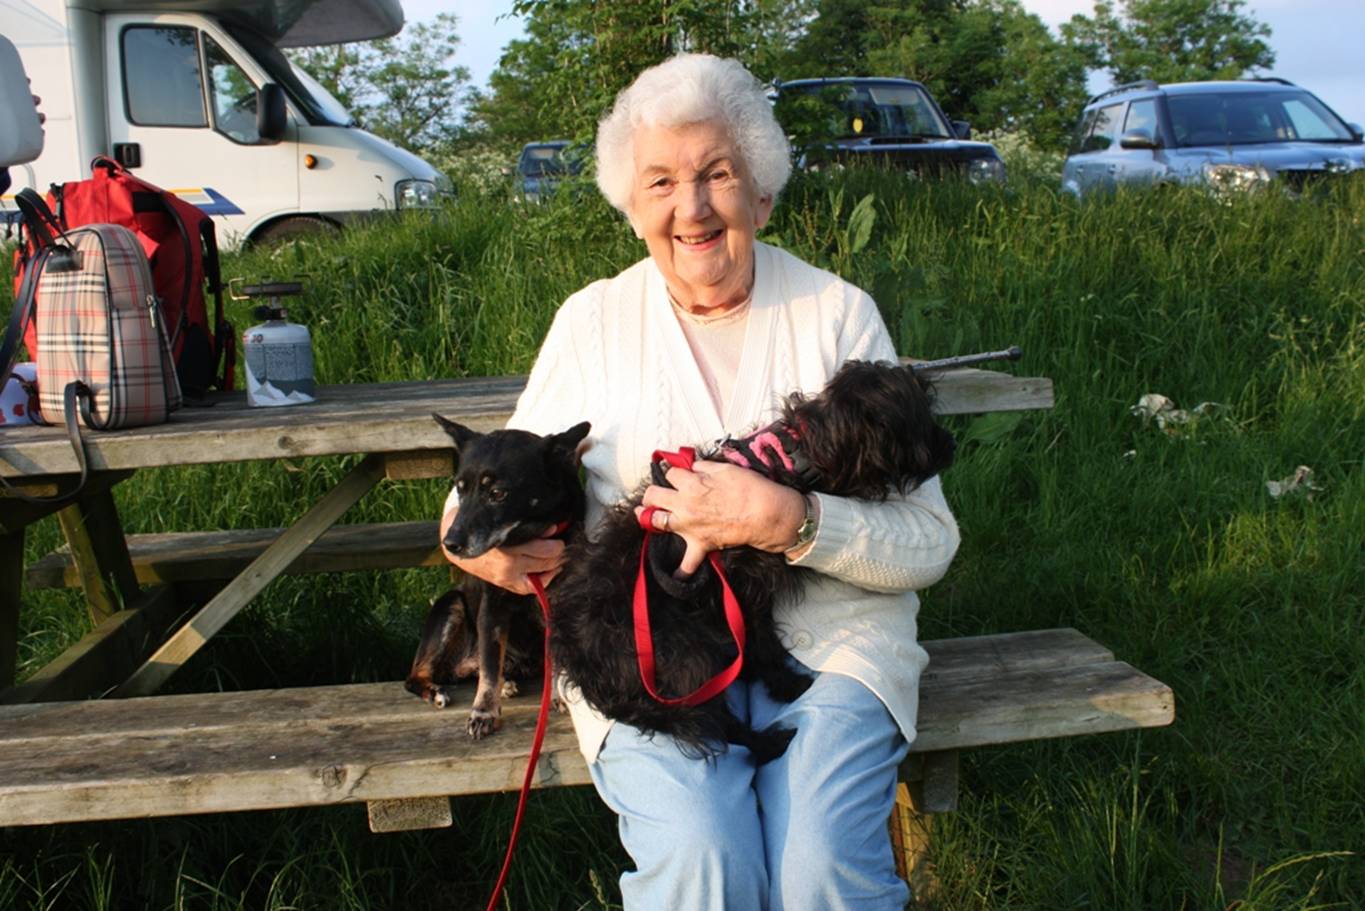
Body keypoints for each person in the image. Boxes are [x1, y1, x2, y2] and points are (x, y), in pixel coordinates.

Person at [441, 53, 960, 910]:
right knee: (699, 861)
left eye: (717, 174)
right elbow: (488, 478)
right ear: (632, 207)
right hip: (646, 654)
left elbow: (928, 543)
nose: (691, 208)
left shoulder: (835, 313)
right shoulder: (592, 321)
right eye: (661, 182)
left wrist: (792, 520)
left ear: (761, 193)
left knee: (822, 870)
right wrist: (482, 551)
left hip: (831, 643)